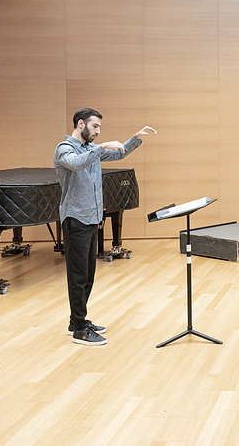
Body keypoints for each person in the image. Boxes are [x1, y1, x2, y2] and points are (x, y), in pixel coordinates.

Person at [55, 108, 156, 345]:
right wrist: (100, 148)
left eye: (99, 127)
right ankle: (80, 329)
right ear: (81, 124)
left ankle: (76, 322)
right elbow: (76, 164)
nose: (98, 131)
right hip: (75, 220)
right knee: (78, 276)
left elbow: (119, 153)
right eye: (95, 126)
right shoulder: (65, 149)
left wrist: (136, 138)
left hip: (91, 219)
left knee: (88, 275)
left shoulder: (91, 149)